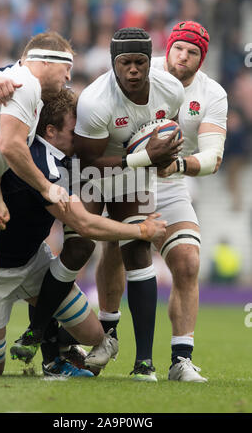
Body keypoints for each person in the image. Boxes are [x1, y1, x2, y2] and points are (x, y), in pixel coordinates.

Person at [0, 87, 167, 377]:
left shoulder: (62, 154)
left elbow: (99, 166)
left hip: (33, 263)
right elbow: (84, 224)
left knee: (94, 336)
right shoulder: (38, 163)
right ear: (51, 131)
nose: (79, 134)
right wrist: (142, 229)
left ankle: (54, 355)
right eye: (73, 128)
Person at [94, 21, 228, 382]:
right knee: (115, 250)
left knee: (187, 261)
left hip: (171, 182)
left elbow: (214, 157)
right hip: (124, 178)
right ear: (167, 49)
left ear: (202, 59)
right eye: (178, 48)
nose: (182, 57)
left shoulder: (211, 94)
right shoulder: (137, 69)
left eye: (193, 52)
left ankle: (180, 359)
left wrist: (177, 165)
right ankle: (106, 336)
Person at [71, 26, 185, 381]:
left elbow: (169, 131)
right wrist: (143, 158)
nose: (133, 70)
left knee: (137, 251)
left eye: (140, 62)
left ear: (151, 63)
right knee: (78, 249)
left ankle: (144, 363)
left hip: (133, 173)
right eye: (125, 63)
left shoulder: (172, 89)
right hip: (94, 171)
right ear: (113, 64)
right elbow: (87, 159)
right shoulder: (95, 100)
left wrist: (165, 156)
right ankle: (50, 342)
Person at [0, 31, 74, 325]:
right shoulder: (26, 84)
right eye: (66, 68)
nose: (69, 77)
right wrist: (47, 188)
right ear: (45, 62)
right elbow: (9, 146)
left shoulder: (19, 82)